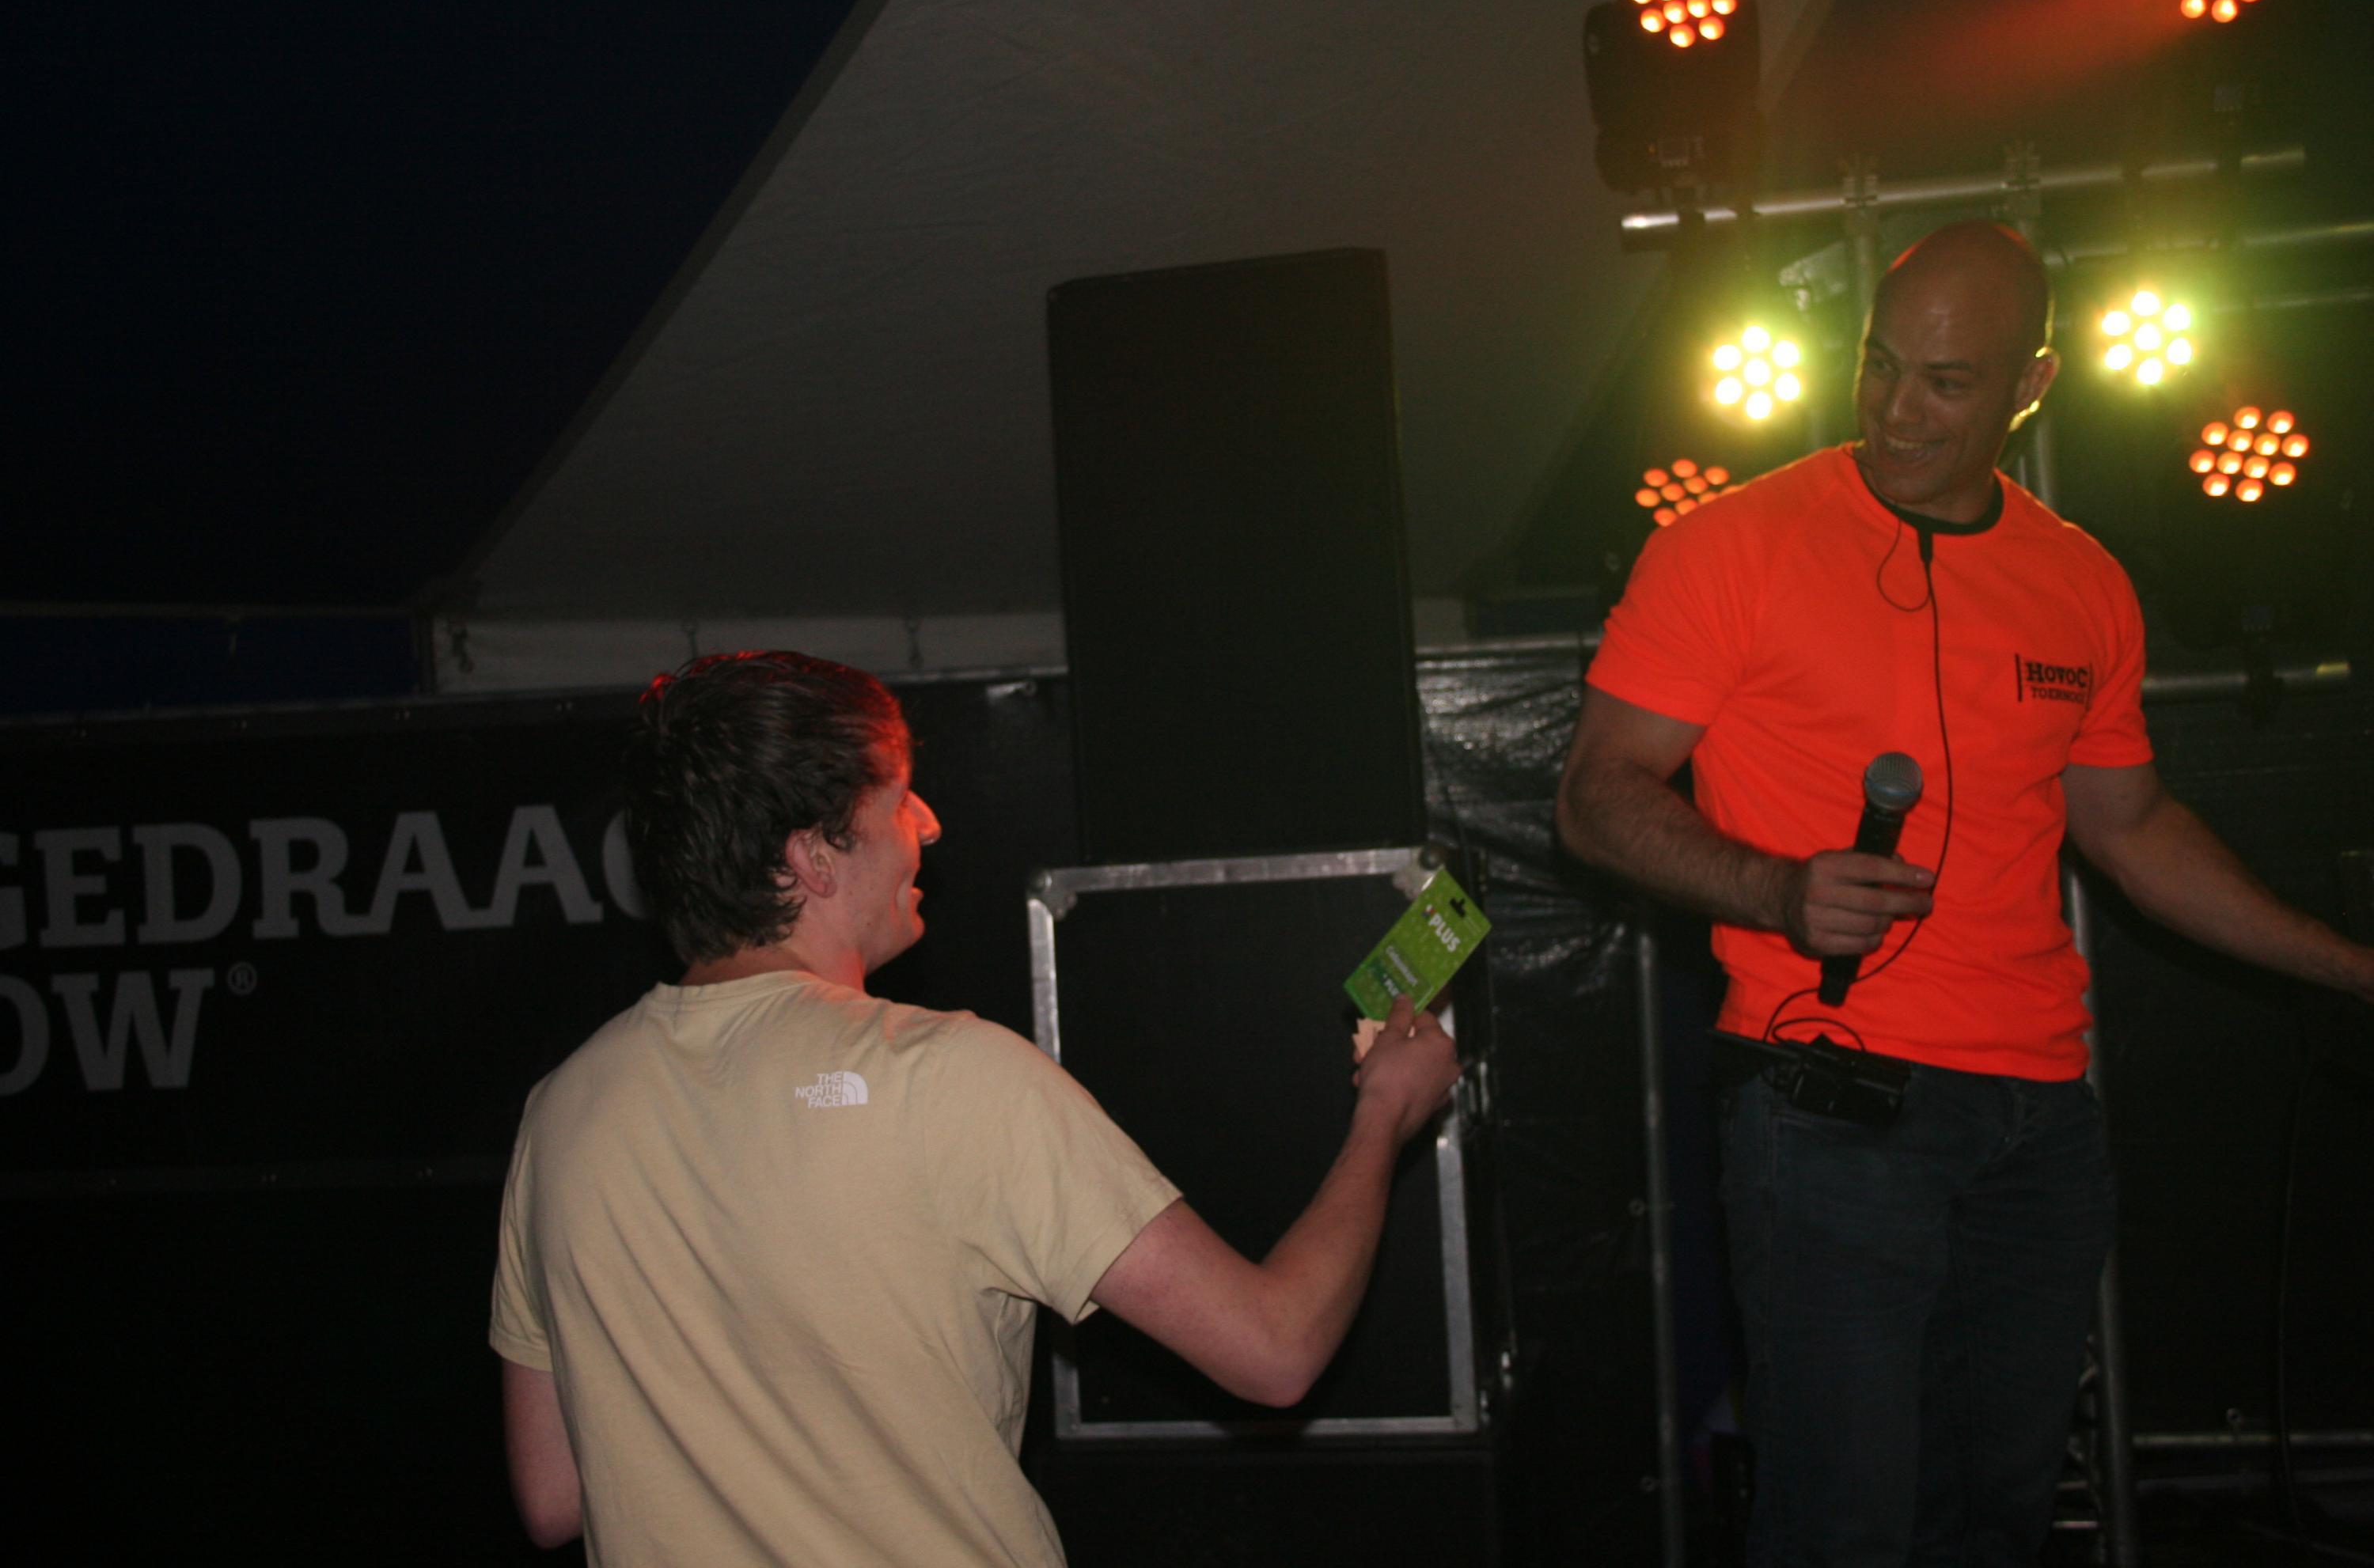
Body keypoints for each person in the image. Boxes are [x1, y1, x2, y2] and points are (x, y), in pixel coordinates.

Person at [1557, 221, 2374, 1566]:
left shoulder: (2082, 581)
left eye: (1945, 383)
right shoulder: (1732, 544)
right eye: (1879, 364)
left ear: (2031, 386)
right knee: (1847, 1527)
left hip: (2037, 1127)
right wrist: (1774, 887)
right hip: (1828, 1103)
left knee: (1999, 1522)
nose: (1895, 410)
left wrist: (2349, 967)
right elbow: (1595, 794)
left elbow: (2134, 830)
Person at [490, 650, 1459, 1566]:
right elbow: (1274, 1347)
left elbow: (554, 1492)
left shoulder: (563, 1111)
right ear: (814, 854)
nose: (927, 824)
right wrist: (1384, 1113)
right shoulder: (949, 1076)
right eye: (896, 798)